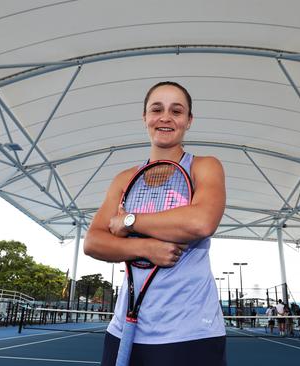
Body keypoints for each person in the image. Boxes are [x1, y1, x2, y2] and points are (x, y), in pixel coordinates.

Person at [84, 81, 227, 366]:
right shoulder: (124, 179)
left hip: (191, 333)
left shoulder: (204, 166)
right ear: (145, 117)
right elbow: (93, 242)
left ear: (189, 120)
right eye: (156, 109)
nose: (165, 117)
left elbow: (200, 222)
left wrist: (129, 221)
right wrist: (147, 247)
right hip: (124, 330)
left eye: (176, 111)